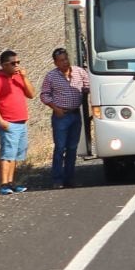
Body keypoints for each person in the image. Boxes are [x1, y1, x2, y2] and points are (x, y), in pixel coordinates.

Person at [40, 47, 91, 187]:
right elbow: (44, 95)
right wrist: (55, 108)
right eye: (61, 60)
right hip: (61, 116)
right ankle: (57, 179)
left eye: (66, 59)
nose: (65, 62)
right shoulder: (51, 76)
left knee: (72, 148)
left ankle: (70, 178)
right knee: (60, 148)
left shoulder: (79, 72)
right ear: (55, 63)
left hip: (76, 115)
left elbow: (88, 87)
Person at [0, 49, 34, 193]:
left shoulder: (19, 77)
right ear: (4, 65)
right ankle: (3, 184)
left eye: (18, 62)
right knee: (7, 154)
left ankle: (11, 182)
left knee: (15, 155)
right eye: (13, 63)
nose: (17, 65)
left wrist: (24, 78)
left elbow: (31, 94)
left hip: (21, 122)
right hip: (8, 122)